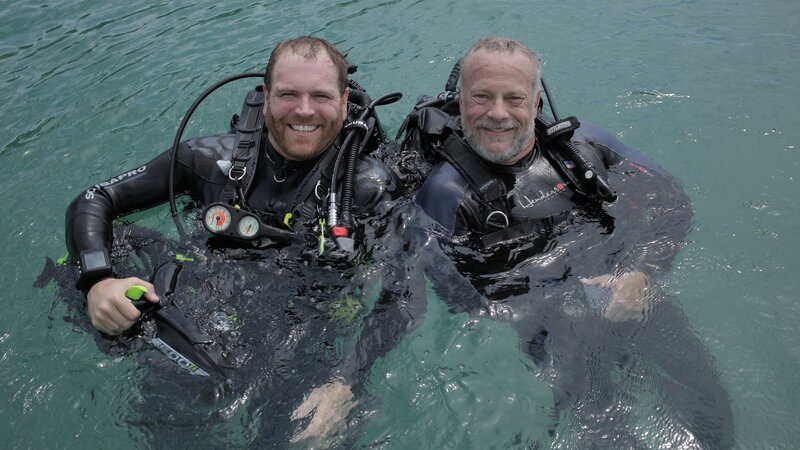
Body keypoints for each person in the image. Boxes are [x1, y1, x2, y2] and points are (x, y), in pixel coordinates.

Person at [379, 37, 735, 447]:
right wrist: (555, 307)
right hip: (548, 324)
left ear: (535, 104)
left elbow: (673, 204)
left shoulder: (586, 147)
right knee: (603, 424)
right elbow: (459, 296)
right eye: (481, 97)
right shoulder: (443, 195)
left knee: (705, 398)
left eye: (513, 98)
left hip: (626, 284)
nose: (497, 113)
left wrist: (640, 271)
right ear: (461, 102)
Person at [63, 35, 402, 447]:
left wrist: (347, 380)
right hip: (205, 306)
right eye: (289, 94)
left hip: (305, 332)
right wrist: (97, 280)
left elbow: (402, 292)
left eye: (321, 96)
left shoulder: (368, 189)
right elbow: (97, 198)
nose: (304, 110)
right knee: (88, 263)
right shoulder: (207, 160)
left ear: (345, 100)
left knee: (301, 436)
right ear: (266, 94)